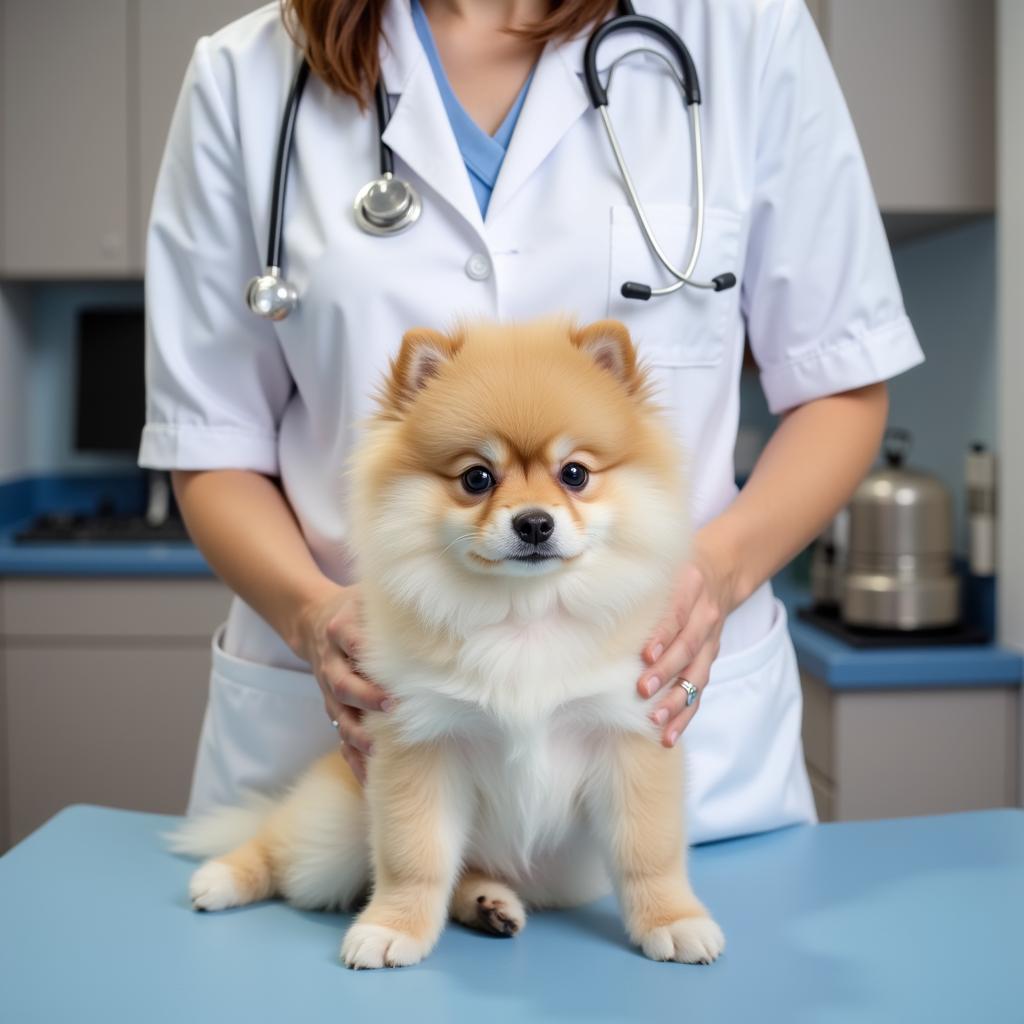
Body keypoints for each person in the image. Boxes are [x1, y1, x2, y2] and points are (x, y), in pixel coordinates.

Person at [140, 0, 923, 843]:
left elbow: (840, 385)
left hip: (662, 741)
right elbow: (213, 444)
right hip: (365, 753)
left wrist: (717, 577)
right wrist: (310, 616)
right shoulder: (248, 74)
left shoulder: (741, 32)